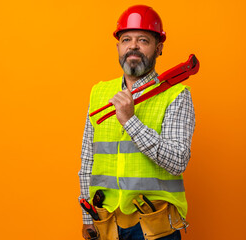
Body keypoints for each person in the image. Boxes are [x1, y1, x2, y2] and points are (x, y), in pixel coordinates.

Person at [78, 5, 196, 240]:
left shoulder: (176, 95)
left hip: (155, 227)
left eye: (143, 40)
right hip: (106, 222)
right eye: (126, 39)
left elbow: (178, 161)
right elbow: (87, 158)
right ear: (118, 47)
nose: (133, 45)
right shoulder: (99, 92)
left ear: (159, 48)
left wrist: (130, 121)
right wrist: (87, 217)